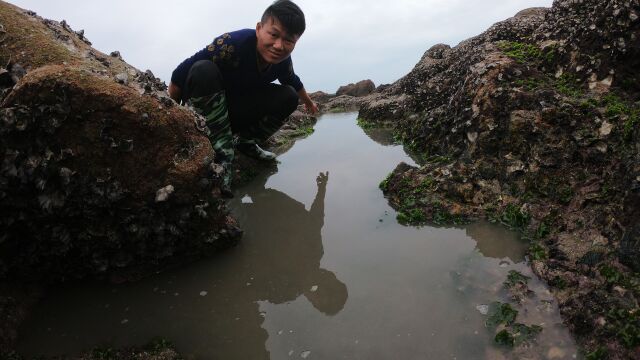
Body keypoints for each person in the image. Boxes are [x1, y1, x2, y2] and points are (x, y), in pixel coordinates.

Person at [168, 0, 318, 197]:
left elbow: (293, 80)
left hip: (233, 112)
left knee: (288, 95)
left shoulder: (282, 61)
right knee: (203, 69)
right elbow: (181, 73)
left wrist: (308, 102)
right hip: (204, 111)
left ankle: (246, 142)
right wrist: (170, 116)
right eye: (273, 35)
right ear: (258, 29)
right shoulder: (232, 43)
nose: (279, 45)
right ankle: (223, 156)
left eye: (289, 40)